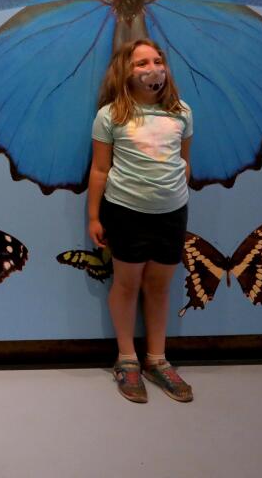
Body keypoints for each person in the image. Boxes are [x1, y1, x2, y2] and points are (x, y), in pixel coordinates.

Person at [87, 39, 194, 403]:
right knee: (127, 284)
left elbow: (185, 161)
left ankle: (157, 359)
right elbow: (100, 169)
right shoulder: (110, 116)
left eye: (157, 60)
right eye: (141, 63)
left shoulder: (181, 112)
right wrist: (93, 216)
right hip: (126, 212)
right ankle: (127, 358)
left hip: (172, 213)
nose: (153, 68)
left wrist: (176, 194)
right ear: (125, 72)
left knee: (160, 286)